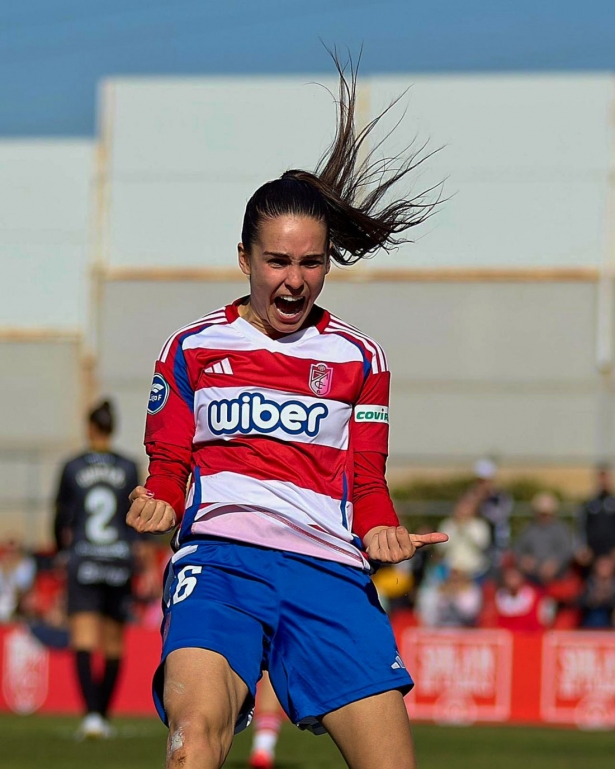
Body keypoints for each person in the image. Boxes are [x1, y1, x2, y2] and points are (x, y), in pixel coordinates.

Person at [126, 54, 448, 769]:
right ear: (243, 257)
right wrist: (156, 497)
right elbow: (169, 461)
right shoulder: (192, 347)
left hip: (326, 571)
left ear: (327, 262)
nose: (294, 281)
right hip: (220, 561)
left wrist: (381, 529)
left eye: (310, 263)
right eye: (276, 261)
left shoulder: (362, 359)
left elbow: (365, 480)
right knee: (194, 741)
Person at [54, 399, 139, 739]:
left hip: (84, 559)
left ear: (90, 428)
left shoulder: (73, 466)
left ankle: (92, 717)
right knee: (115, 643)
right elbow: (134, 520)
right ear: (112, 428)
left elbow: (60, 518)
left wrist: (61, 552)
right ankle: (104, 715)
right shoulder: (129, 467)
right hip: (119, 559)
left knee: (84, 639)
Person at [514, 492, 574, 586]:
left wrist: (555, 564)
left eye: (546, 513)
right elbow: (518, 549)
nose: (543, 516)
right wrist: (524, 560)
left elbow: (567, 551)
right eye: (541, 513)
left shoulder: (561, 529)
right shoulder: (529, 529)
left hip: (557, 575)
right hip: (533, 575)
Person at [437, 492, 491, 580]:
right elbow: (441, 547)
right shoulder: (448, 525)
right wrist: (456, 529)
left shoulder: (479, 525)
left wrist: (466, 527)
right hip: (450, 572)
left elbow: (482, 545)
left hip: (474, 572)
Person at [576, 465, 615, 567]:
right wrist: (584, 547)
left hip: (611, 551)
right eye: (601, 478)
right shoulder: (590, 504)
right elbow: (582, 526)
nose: (603, 481)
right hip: (593, 551)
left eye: (605, 478)